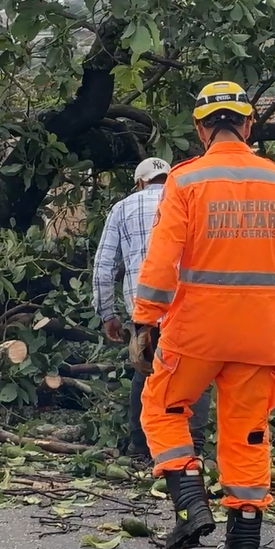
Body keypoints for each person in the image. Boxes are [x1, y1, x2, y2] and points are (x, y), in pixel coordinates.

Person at [131, 81, 275, 549]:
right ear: (248, 124)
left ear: (200, 128)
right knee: (248, 433)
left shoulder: (187, 180)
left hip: (195, 330)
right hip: (259, 333)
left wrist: (145, 319)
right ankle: (243, 548)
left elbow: (162, 257)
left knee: (163, 408)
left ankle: (190, 501)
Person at [92, 156, 212, 459]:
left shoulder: (123, 208)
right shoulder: (191, 198)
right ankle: (192, 446)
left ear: (140, 182)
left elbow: (105, 265)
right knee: (194, 373)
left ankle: (141, 447)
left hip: (146, 309)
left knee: (146, 373)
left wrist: (108, 313)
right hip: (192, 306)